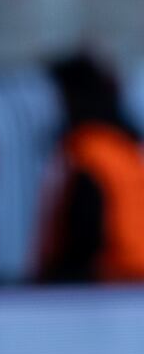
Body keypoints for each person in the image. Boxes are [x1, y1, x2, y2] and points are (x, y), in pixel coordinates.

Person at [39, 52, 144, 283]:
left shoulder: (89, 151)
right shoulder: (126, 147)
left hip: (109, 285)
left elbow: (85, 233)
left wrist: (56, 277)